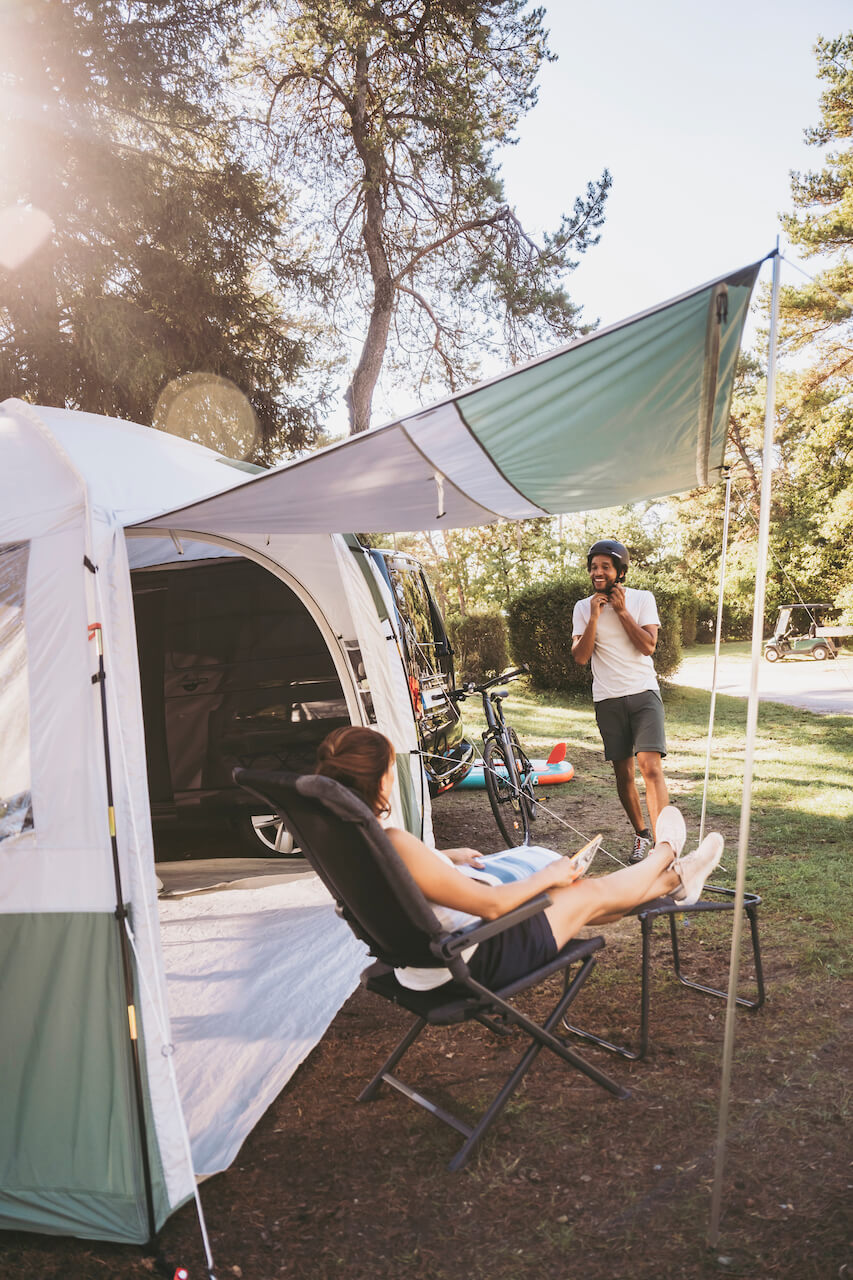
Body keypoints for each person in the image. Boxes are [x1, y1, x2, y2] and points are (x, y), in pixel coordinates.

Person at [314, 726, 722, 993]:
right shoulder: (393, 841)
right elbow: (490, 905)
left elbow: (397, 878)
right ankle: (666, 854)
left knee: (589, 901)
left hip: (421, 967)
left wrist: (440, 857)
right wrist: (547, 876)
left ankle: (677, 881)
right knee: (587, 891)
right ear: (381, 779)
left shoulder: (345, 843)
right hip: (473, 960)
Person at [572, 538, 669, 864]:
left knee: (650, 767)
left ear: (620, 571)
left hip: (643, 694)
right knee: (624, 773)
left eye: (605, 567)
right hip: (608, 700)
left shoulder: (643, 599)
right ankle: (642, 835)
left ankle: (662, 844)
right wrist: (596, 618)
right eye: (594, 567)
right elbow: (581, 658)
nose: (598, 572)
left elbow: (648, 646)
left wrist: (622, 611)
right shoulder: (583, 608)